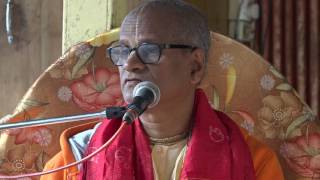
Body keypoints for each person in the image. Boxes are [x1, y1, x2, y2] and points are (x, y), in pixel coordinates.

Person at [41, 0, 284, 179]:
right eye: (123, 51)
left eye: (149, 50)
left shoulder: (251, 161)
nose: (130, 64)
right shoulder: (78, 159)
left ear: (195, 67)